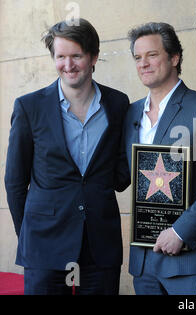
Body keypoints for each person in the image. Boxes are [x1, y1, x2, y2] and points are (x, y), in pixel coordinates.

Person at [4, 18, 130, 295]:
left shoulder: (118, 104)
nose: (68, 65)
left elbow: (122, 170)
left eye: (77, 56)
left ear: (94, 57)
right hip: (44, 244)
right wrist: (28, 234)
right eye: (60, 56)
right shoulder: (29, 107)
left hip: (100, 244)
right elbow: (15, 182)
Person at [123, 22, 196, 295]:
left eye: (152, 55)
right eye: (138, 58)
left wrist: (181, 232)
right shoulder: (131, 114)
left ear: (174, 58)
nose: (143, 64)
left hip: (189, 263)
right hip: (144, 264)